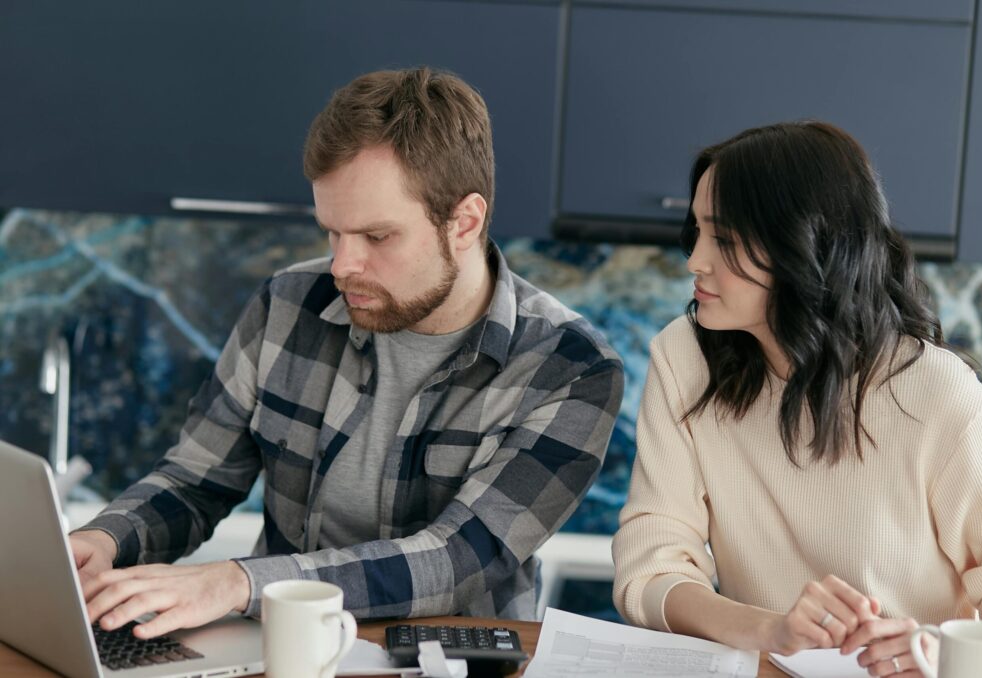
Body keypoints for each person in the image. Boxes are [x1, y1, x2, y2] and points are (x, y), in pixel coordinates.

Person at [71, 67, 624, 639]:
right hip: (280, 652)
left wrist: (237, 583)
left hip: (447, 664)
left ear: (464, 221)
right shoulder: (288, 302)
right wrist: (106, 539)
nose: (341, 266)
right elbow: (196, 480)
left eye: (376, 237)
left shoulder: (571, 367)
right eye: (332, 232)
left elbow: (460, 560)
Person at [612, 121, 982, 675]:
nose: (695, 262)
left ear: (804, 249)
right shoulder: (683, 357)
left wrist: (935, 647)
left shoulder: (940, 397)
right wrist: (768, 628)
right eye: (699, 233)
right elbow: (648, 567)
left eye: (725, 240)